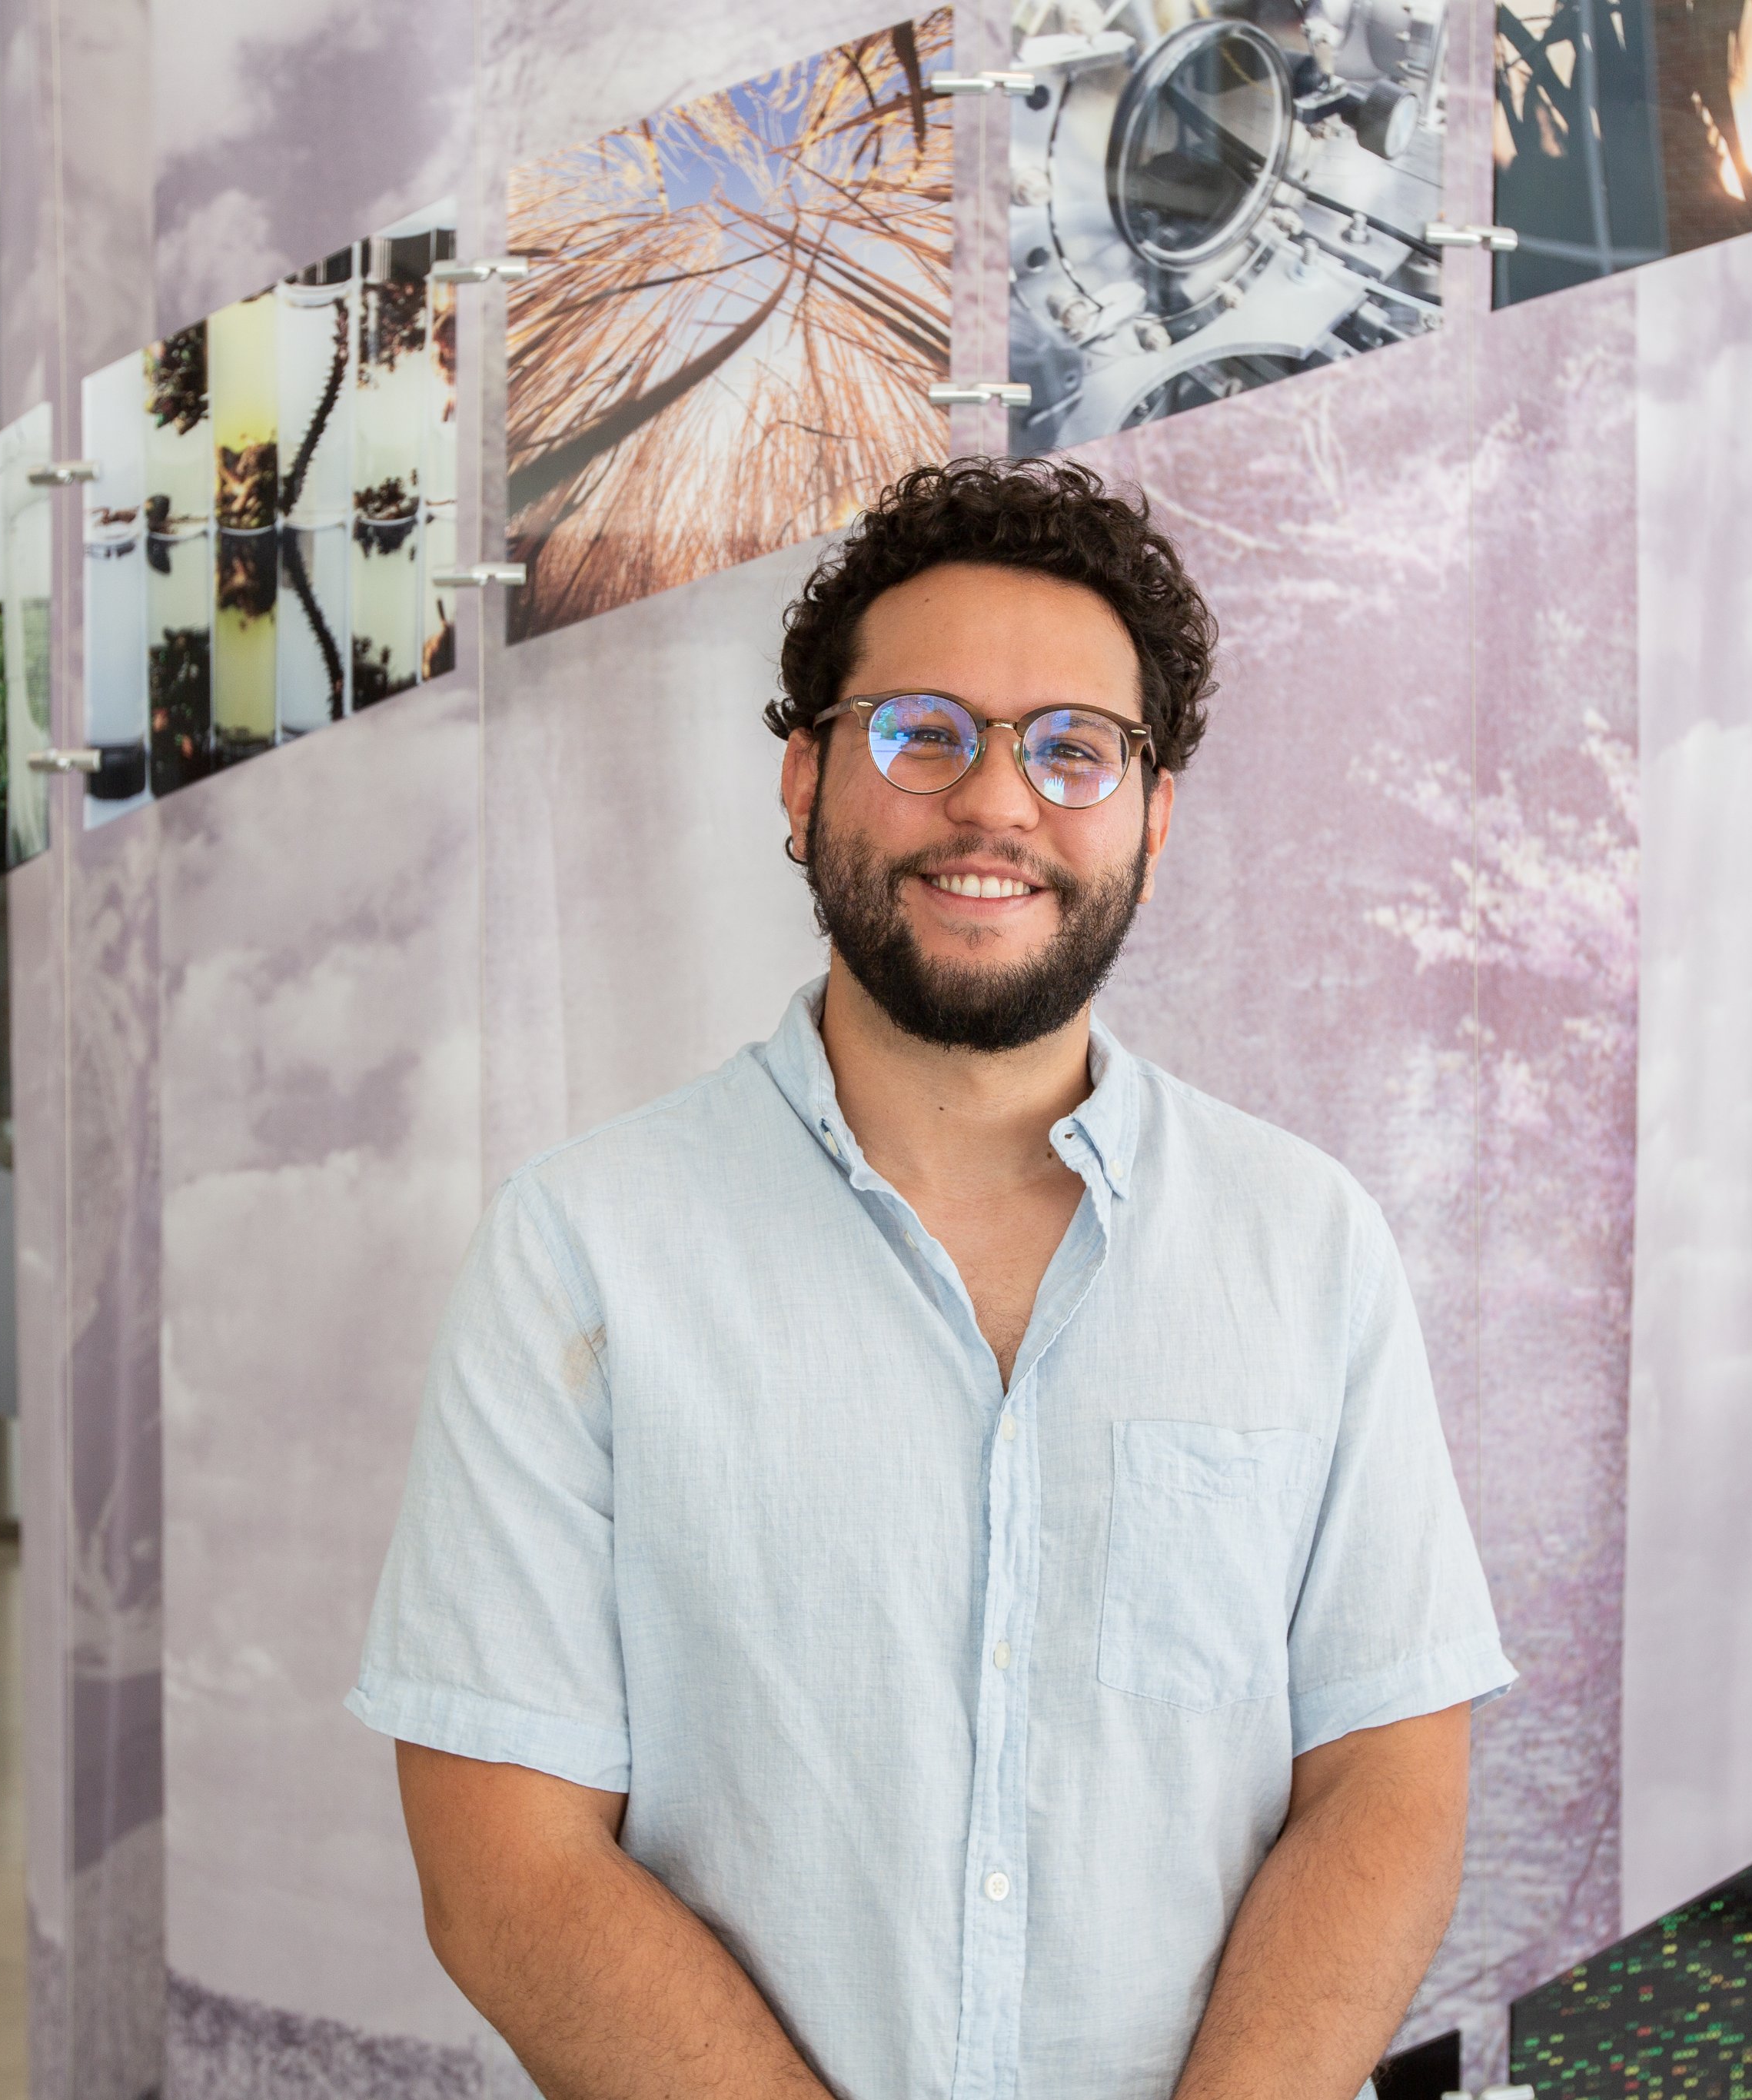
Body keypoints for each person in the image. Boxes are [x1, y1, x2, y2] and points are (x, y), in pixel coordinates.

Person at [351, 457, 1511, 2100]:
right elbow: (504, 1864)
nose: (994, 802)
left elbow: (1387, 1783)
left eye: (1071, 749)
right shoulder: (579, 1249)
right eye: (921, 734)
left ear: (1152, 817)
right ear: (805, 774)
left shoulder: (1306, 1249)